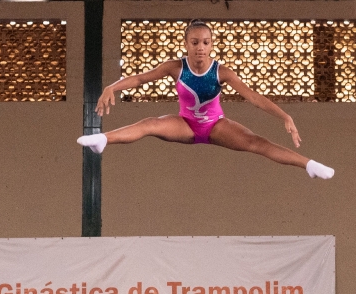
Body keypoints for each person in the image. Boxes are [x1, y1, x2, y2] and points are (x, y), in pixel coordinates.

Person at [77, 20, 335, 180]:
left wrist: (285, 116)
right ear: (186, 43)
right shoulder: (176, 67)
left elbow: (254, 97)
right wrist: (112, 86)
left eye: (205, 42)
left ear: (211, 45)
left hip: (216, 125)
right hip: (186, 125)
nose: (200, 47)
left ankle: (309, 165)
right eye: (195, 42)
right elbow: (140, 79)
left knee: (258, 143)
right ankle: (103, 139)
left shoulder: (221, 72)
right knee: (150, 123)